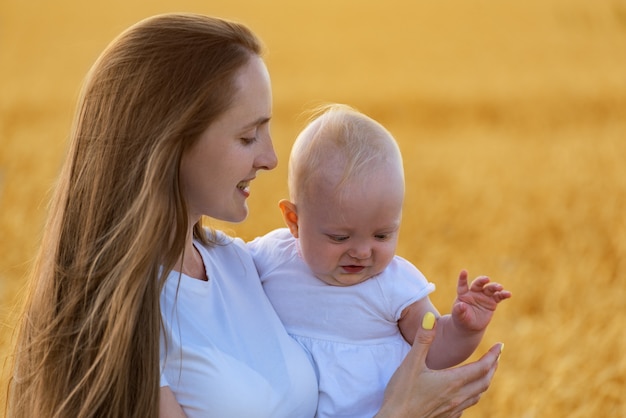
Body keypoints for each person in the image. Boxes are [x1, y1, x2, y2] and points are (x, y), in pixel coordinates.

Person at [6, 13, 504, 418]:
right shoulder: (120, 324)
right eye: (248, 136)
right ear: (169, 143)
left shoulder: (243, 266)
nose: (269, 157)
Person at [248, 104, 512, 418]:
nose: (362, 252)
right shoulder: (271, 258)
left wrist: (462, 329)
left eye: (382, 235)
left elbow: (430, 351)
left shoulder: (393, 284)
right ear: (294, 220)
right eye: (340, 237)